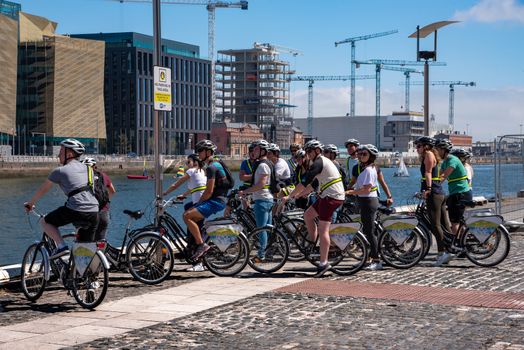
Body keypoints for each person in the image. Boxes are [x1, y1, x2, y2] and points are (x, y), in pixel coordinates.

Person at [24, 139, 99, 259]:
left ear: (69, 154)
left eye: (61, 151)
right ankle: (87, 274)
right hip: (94, 211)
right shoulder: (88, 169)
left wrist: (30, 203)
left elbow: (43, 189)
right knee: (86, 249)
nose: (58, 154)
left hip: (75, 209)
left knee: (46, 221)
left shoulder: (60, 171)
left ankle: (62, 246)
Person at [284, 140, 345, 277]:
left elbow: (305, 181)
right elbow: (314, 185)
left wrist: (289, 196)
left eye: (310, 151)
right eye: (307, 152)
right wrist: (299, 195)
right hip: (327, 196)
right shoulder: (319, 163)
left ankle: (324, 263)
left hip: (332, 197)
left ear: (317, 151)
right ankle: (314, 243)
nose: (308, 154)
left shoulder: (319, 162)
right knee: (308, 215)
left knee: (324, 230)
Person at [183, 140, 230, 260]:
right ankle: (195, 245)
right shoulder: (217, 163)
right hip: (220, 199)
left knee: (187, 216)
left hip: (216, 200)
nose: (198, 154)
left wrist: (198, 204)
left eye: (200, 151)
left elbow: (208, 192)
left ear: (208, 152)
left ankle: (201, 245)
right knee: (190, 211)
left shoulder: (211, 167)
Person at [415, 136, 451, 267]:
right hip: (438, 192)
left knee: (435, 225)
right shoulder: (429, 155)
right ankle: (450, 248)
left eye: (418, 146)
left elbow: (428, 173)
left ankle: (442, 252)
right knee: (444, 224)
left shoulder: (429, 155)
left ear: (426, 146)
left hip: (434, 193)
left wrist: (428, 189)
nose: (416, 148)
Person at [345, 144, 382, 270]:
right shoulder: (366, 169)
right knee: (367, 230)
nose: (361, 156)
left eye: (364, 154)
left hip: (368, 201)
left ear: (371, 156)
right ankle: (369, 258)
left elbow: (366, 189)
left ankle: (376, 260)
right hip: (365, 201)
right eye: (359, 154)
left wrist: (351, 192)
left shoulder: (369, 170)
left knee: (370, 232)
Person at [238, 139, 274, 263]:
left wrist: (246, 191)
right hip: (267, 199)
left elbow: (261, 184)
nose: (254, 151)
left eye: (257, 149)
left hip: (262, 199)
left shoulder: (263, 165)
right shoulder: (266, 163)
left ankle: (261, 255)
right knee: (267, 229)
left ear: (263, 151)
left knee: (261, 229)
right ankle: (268, 252)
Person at [436, 139, 473, 237]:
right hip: (455, 193)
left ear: (444, 150)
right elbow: (438, 176)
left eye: (438, 149)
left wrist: (431, 187)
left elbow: (443, 176)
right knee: (458, 221)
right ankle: (463, 239)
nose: (436, 152)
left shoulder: (453, 160)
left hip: (461, 193)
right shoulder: (445, 162)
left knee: (454, 223)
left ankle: (456, 246)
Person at [81, 157, 116, 241]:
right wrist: (107, 202)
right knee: (100, 241)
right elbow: (113, 191)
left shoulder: (82, 178)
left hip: (90, 213)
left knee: (84, 241)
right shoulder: (103, 176)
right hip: (104, 212)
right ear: (94, 166)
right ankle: (101, 254)